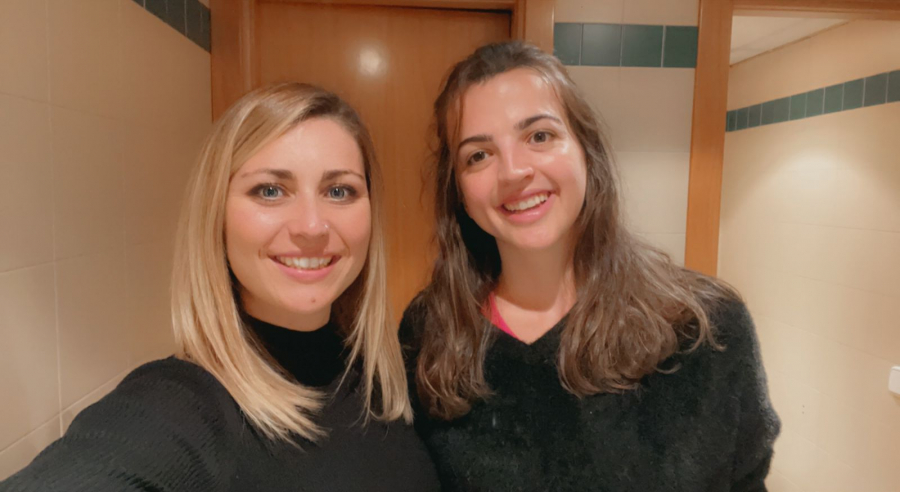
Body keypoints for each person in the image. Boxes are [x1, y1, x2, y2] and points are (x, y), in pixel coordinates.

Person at [1, 83, 439, 491]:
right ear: (216, 215)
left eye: (339, 191)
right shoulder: (180, 405)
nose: (312, 226)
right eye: (270, 190)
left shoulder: (382, 371)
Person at [401, 41, 780, 491]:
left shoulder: (705, 329)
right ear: (458, 189)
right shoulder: (431, 333)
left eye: (539, 136)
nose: (513, 171)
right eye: (478, 155)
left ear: (586, 149)